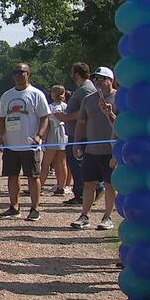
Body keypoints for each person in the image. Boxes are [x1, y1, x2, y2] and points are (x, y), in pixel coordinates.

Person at [0, 63, 51, 221]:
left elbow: (44, 117)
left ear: (28, 73)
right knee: (12, 176)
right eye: (15, 72)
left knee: (33, 176)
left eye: (21, 72)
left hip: (30, 143)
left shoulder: (36, 94)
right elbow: (1, 117)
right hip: (11, 143)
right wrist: (0, 136)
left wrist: (39, 136)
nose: (18, 75)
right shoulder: (7, 95)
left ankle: (35, 208)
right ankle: (14, 207)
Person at [71, 67, 117, 230]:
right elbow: (81, 122)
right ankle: (84, 216)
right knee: (88, 184)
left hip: (111, 150)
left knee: (110, 185)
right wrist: (76, 143)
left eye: (101, 78)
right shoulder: (88, 99)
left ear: (110, 80)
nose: (97, 81)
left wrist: (109, 113)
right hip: (91, 149)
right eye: (95, 78)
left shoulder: (119, 98)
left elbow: (122, 125)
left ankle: (108, 217)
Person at [55, 62, 97, 206]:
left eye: (72, 72)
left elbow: (87, 110)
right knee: (77, 165)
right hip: (77, 134)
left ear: (77, 74)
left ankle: (83, 194)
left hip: (82, 135)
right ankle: (86, 192)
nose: (70, 75)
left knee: (78, 165)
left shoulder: (86, 89)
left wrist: (66, 117)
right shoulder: (82, 88)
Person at [40, 85, 69, 195]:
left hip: (53, 135)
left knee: (46, 163)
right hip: (63, 135)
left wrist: (44, 139)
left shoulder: (50, 107)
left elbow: (47, 125)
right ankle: (62, 186)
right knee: (62, 163)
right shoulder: (66, 106)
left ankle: (39, 185)